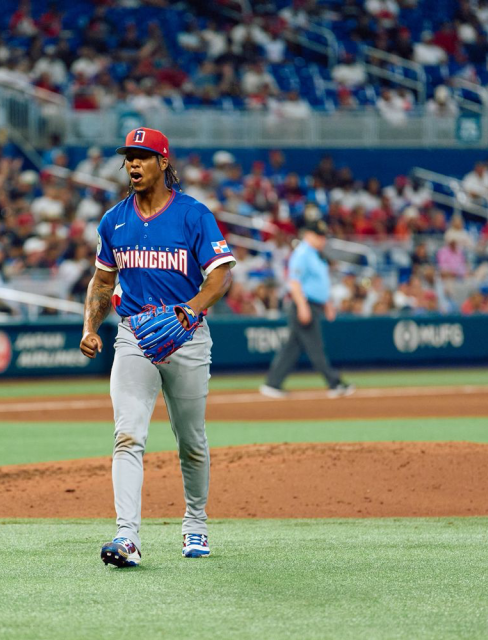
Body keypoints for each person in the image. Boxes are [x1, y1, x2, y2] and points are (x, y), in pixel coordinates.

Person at [79, 127, 235, 568]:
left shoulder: (193, 214)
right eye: (129, 156)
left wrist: (191, 309)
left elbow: (220, 275)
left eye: (143, 156)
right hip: (134, 334)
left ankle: (196, 524)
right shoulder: (114, 220)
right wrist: (91, 325)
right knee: (127, 436)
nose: (133, 163)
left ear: (163, 163)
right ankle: (127, 538)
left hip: (187, 336)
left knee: (191, 440)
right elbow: (103, 281)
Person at [260, 220, 353, 399]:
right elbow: (294, 282)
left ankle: (272, 383)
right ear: (308, 235)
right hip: (304, 304)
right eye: (319, 236)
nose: (322, 239)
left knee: (292, 348)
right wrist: (302, 306)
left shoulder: (315, 255)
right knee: (315, 347)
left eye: (323, 236)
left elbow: (320, 283)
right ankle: (334, 382)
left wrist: (327, 304)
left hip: (313, 304)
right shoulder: (302, 253)